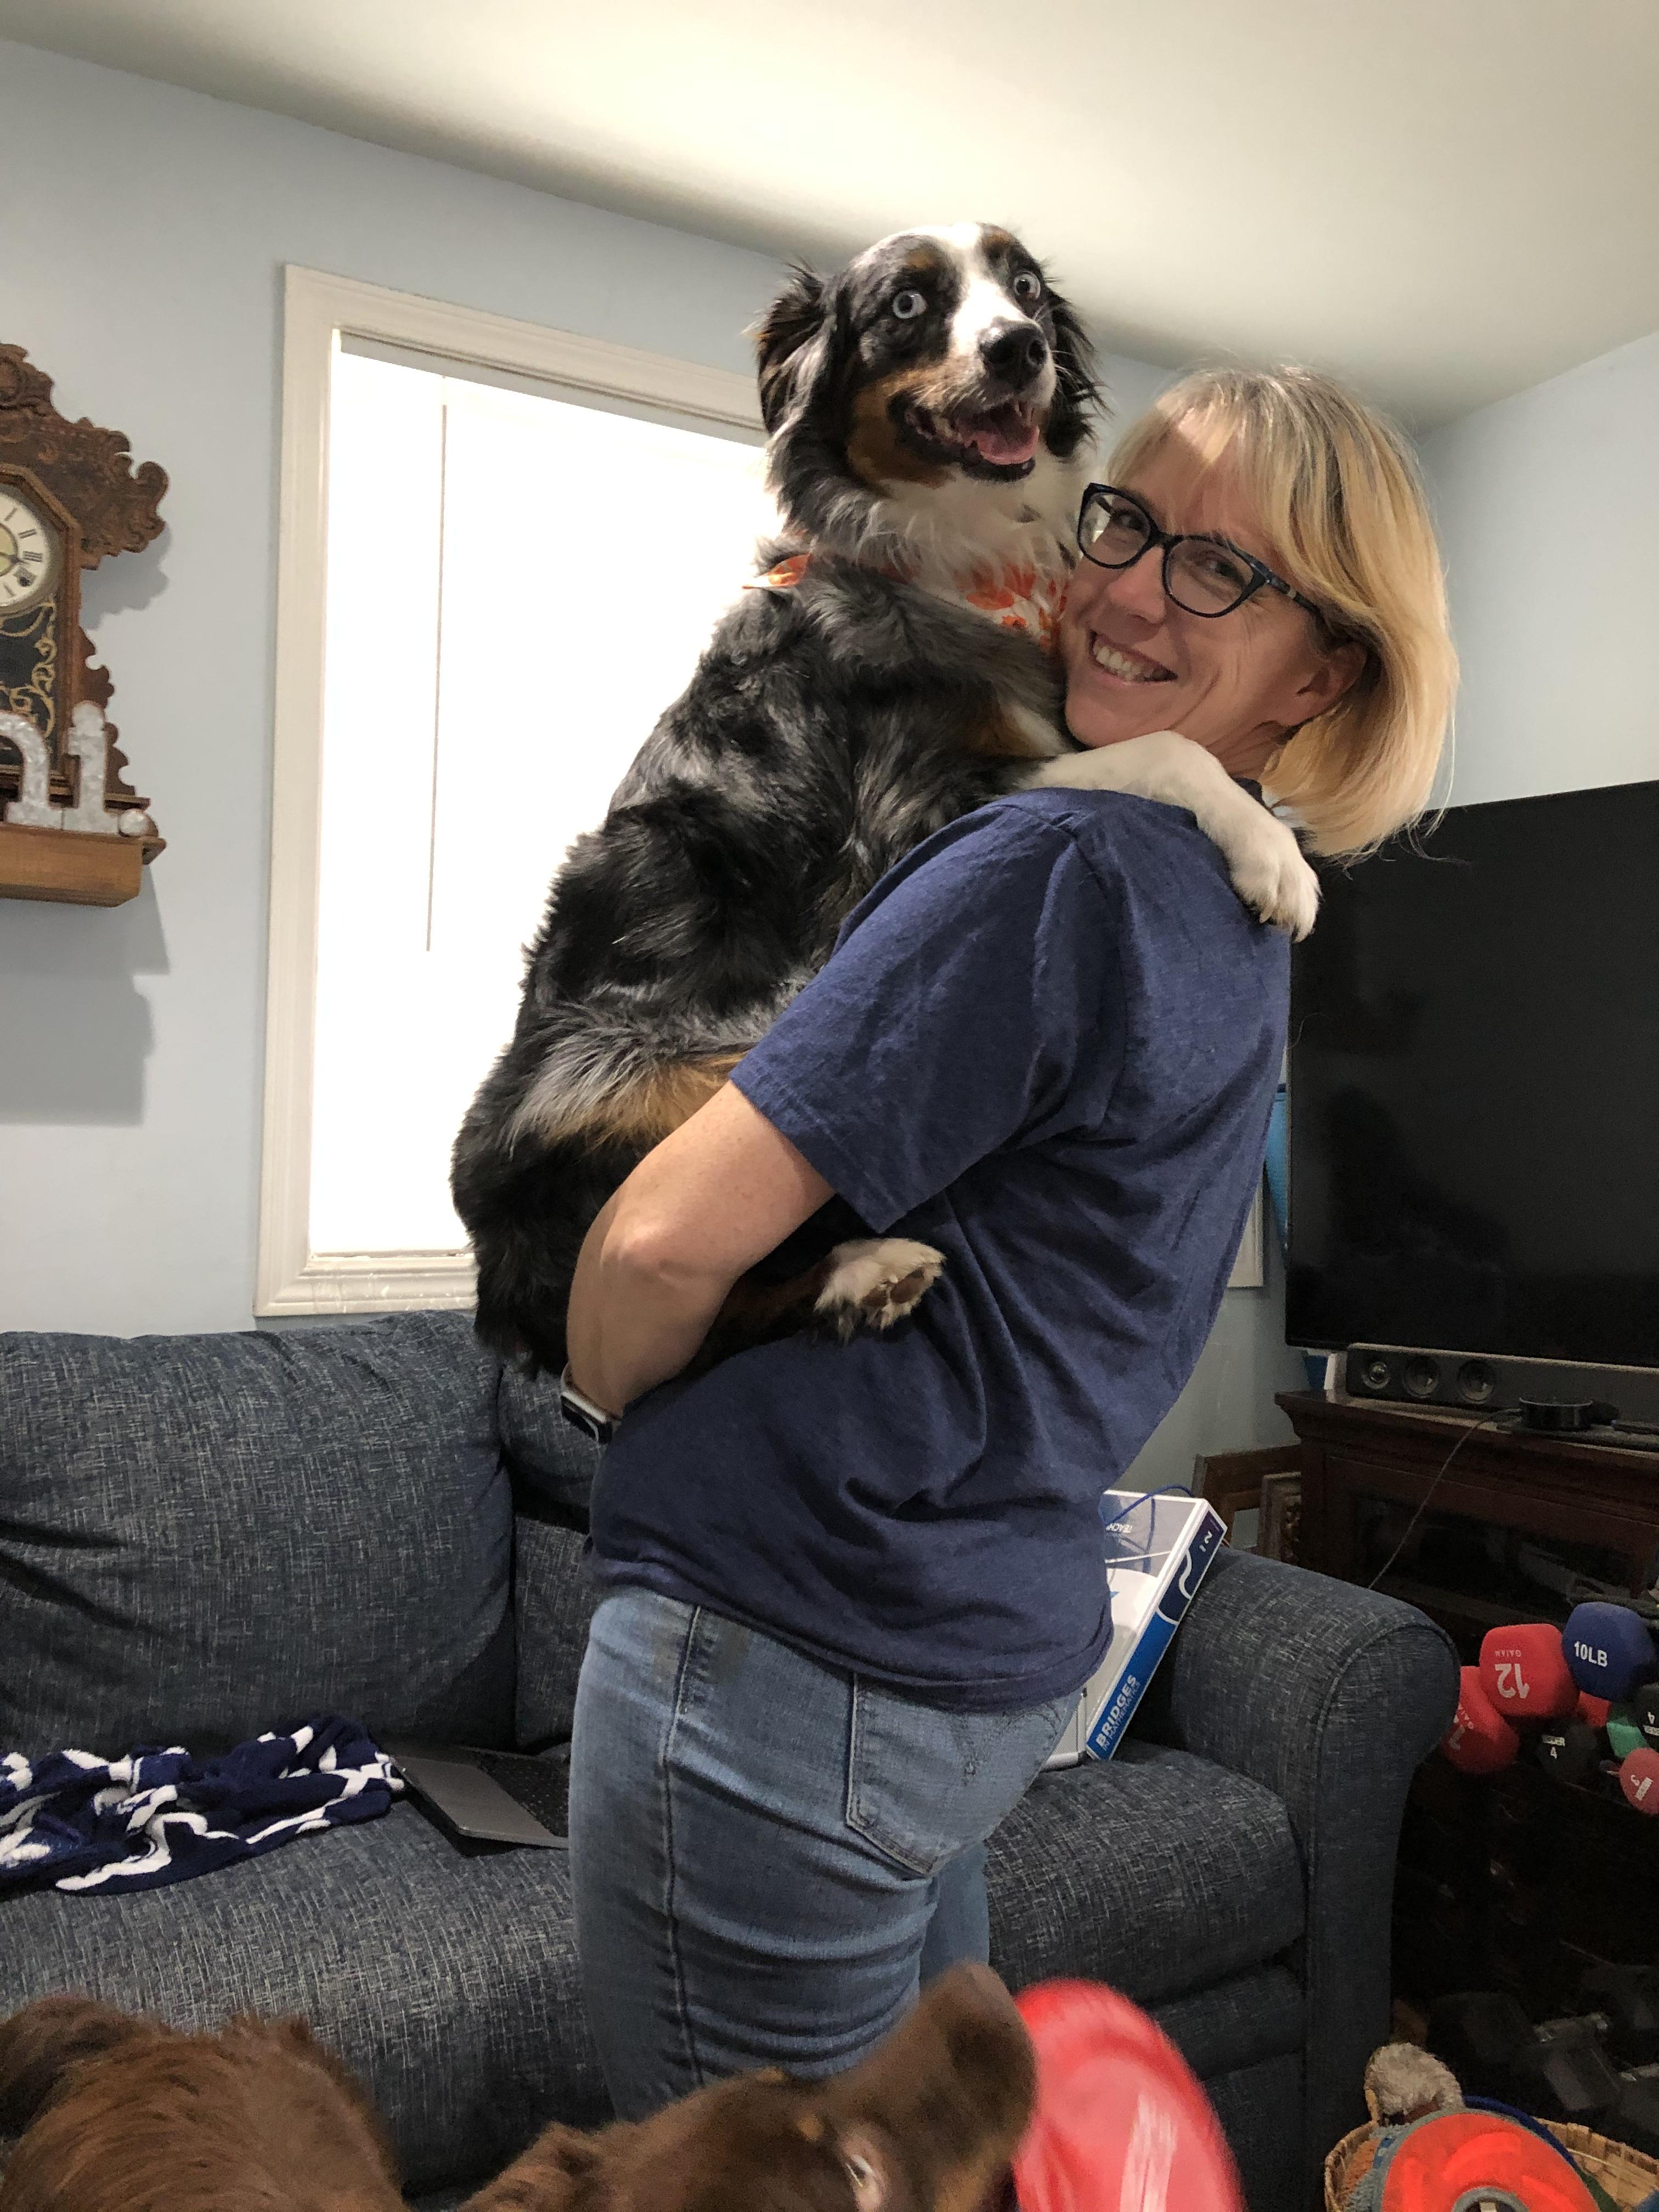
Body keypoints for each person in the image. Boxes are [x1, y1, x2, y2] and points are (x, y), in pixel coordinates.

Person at [561, 366, 1457, 2121]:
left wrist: (606, 1380)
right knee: (926, 2156)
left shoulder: (1069, 861)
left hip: (788, 1642)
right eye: (1127, 525)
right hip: (961, 1651)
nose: (1126, 590)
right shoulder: (1231, 901)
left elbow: (657, 1246)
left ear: (1323, 673)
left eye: (1221, 569)